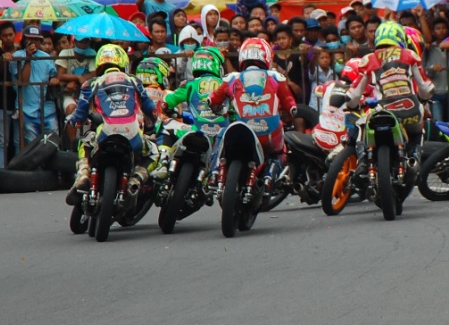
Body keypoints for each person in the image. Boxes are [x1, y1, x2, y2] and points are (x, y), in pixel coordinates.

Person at [64, 44, 159, 205]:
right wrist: (151, 128)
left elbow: (79, 115)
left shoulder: (90, 84)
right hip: (133, 134)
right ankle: (135, 181)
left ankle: (84, 174)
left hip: (105, 133)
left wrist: (73, 122)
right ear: (123, 62)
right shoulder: (135, 81)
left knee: (85, 141)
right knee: (154, 152)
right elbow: (151, 110)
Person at [345, 21, 434, 163]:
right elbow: (426, 87)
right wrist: (423, 99)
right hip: (411, 112)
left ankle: (362, 159)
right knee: (418, 130)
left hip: (382, 111)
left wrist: (351, 105)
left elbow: (354, 93)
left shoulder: (369, 59)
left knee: (361, 124)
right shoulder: (411, 55)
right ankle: (414, 156)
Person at [208, 38, 298, 167]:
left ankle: (215, 172)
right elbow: (290, 104)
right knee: (281, 151)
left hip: (243, 134)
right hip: (271, 136)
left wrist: (219, 109)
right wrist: (290, 113)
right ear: (267, 56)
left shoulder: (232, 78)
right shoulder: (276, 77)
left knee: (222, 134)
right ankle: (276, 172)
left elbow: (213, 99)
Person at [154, 48, 229, 183]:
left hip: (197, 130)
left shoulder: (190, 84)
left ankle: (163, 162)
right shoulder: (227, 84)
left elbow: (167, 103)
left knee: (165, 125)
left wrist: (167, 109)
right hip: (222, 135)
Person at [10, 25, 59, 143]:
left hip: (46, 109)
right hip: (26, 109)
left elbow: (54, 76)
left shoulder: (46, 57)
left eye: (36, 39)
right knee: (30, 145)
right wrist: (28, 57)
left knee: (52, 142)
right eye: (30, 38)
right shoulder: (17, 56)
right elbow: (24, 80)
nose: (33, 42)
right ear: (24, 40)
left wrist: (54, 80)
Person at [56, 35, 97, 117]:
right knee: (71, 109)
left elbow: (93, 74)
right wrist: (78, 77)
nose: (83, 44)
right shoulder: (65, 53)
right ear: (74, 42)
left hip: (87, 93)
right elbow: (60, 75)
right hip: (67, 92)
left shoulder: (92, 53)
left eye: (86, 41)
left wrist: (74, 80)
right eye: (81, 42)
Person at [0, 22, 17, 168]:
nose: (8, 38)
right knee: (2, 140)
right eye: (4, 35)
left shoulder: (22, 53)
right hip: (3, 103)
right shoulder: (1, 54)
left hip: (19, 103)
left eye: (10, 34)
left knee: (17, 140)